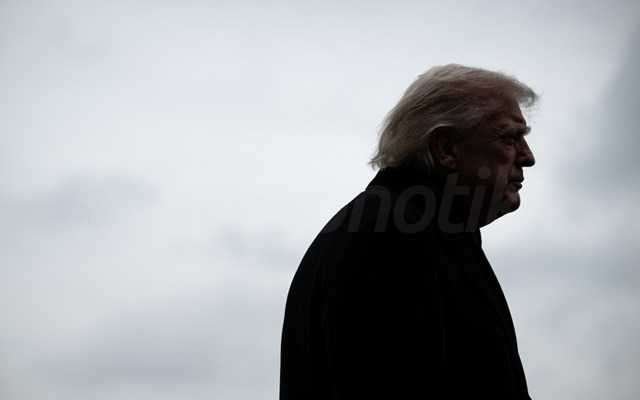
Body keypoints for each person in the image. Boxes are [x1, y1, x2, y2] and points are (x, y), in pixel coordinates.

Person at [279, 64, 537, 399]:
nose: (528, 157)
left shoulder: (406, 228)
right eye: (509, 138)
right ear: (446, 149)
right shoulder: (397, 239)